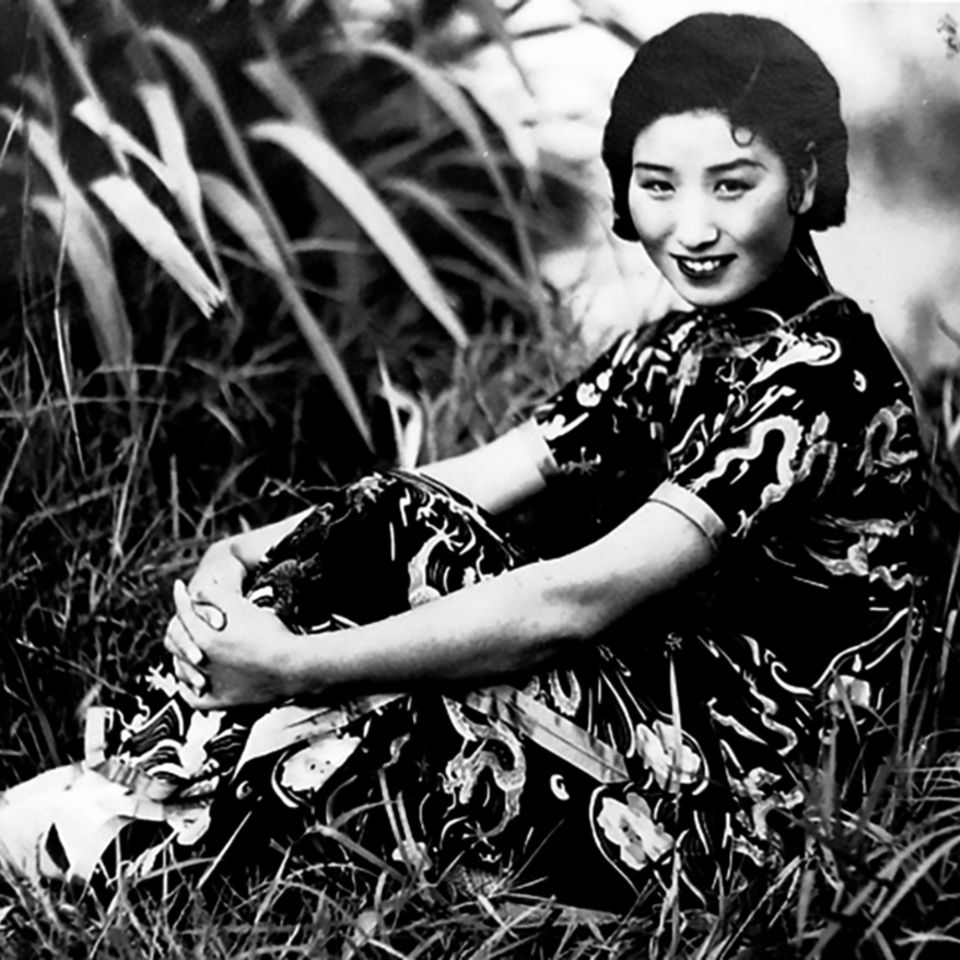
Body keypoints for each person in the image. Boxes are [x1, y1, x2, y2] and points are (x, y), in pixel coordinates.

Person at [0, 13, 928, 916]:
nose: (690, 228)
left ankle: (137, 830)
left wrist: (299, 666)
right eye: (658, 185)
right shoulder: (673, 349)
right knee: (403, 515)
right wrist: (247, 548)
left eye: (732, 186)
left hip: (759, 799)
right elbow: (468, 478)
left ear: (804, 179)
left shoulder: (822, 374)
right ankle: (141, 775)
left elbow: (574, 605)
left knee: (410, 696)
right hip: (665, 703)